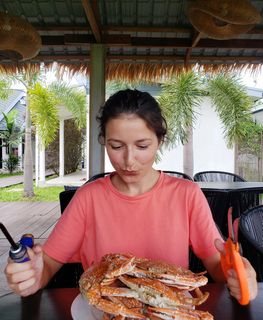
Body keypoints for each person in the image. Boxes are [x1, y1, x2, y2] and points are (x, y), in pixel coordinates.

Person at [5, 89, 258, 302]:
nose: (128, 161)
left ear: (159, 141)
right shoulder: (88, 198)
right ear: (103, 140)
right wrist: (33, 275)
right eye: (116, 146)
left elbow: (217, 266)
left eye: (142, 146)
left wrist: (239, 277)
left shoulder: (187, 195)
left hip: (170, 317)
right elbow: (47, 264)